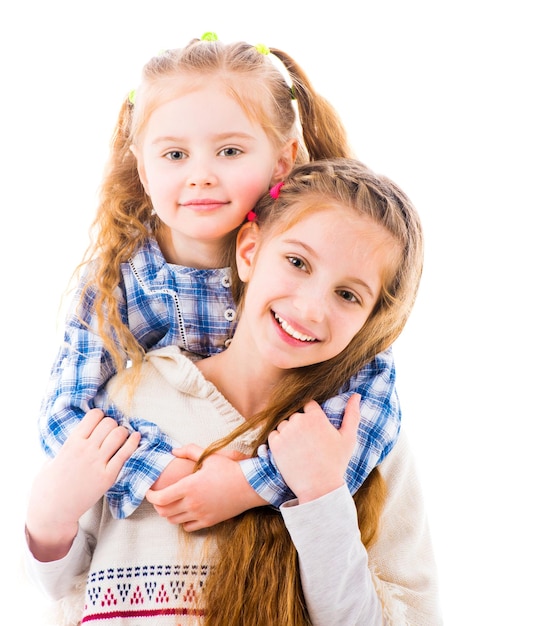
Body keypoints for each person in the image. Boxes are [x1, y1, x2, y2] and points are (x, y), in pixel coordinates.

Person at [25, 158, 441, 625]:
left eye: (348, 295)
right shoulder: (129, 399)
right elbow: (64, 586)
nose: (310, 308)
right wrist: (48, 518)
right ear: (249, 251)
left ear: (370, 320)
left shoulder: (360, 438)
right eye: (297, 262)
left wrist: (322, 494)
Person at [37, 34, 405, 527]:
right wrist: (159, 470)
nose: (201, 175)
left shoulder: (312, 266)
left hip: (274, 508)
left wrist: (250, 482)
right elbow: (65, 412)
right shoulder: (120, 277)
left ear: (281, 161)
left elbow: (372, 407)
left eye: (229, 151)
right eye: (174, 155)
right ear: (142, 167)